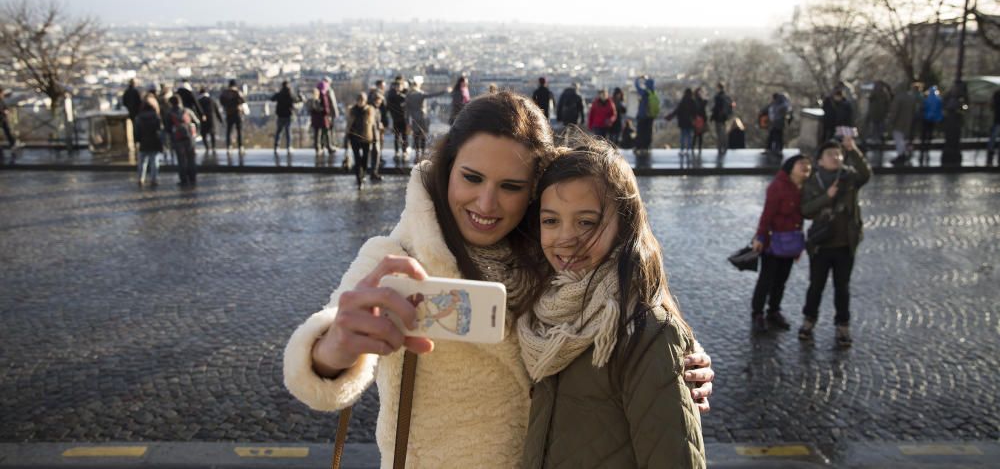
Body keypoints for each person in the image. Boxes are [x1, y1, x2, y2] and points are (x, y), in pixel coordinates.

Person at [283, 92, 715, 467]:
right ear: (447, 167)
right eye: (472, 178)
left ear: (533, 191)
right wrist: (335, 347)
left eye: (510, 186)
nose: (486, 203)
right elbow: (316, 372)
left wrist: (678, 360)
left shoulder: (555, 254)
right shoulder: (395, 259)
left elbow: (622, 296)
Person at [518, 137, 706, 467]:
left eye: (586, 222)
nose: (566, 237)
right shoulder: (541, 308)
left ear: (624, 225)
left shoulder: (647, 333)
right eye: (550, 221)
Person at [799, 136, 871, 347]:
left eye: (838, 153)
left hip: (845, 244)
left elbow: (866, 175)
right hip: (821, 244)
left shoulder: (849, 176)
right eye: (830, 154)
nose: (835, 157)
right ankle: (808, 321)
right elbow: (806, 210)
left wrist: (854, 150)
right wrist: (827, 197)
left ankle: (843, 326)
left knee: (843, 287)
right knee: (816, 286)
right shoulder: (813, 181)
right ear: (820, 161)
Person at [750, 155, 811, 333]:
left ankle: (774, 310)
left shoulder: (806, 188)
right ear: (791, 167)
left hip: (791, 241)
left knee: (782, 280)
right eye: (802, 164)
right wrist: (760, 237)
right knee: (766, 279)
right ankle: (758, 312)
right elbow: (767, 215)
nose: (806, 167)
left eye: (808, 165)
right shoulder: (777, 186)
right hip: (773, 241)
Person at [404, 77, 449, 159]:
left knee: (416, 136)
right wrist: (444, 91)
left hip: (414, 118)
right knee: (423, 136)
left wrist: (407, 122)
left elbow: (407, 110)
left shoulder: (409, 95)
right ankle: (423, 153)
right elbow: (431, 95)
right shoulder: (419, 94)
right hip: (422, 117)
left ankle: (417, 154)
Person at [345, 92, 378, 189]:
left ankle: (363, 174)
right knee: (357, 159)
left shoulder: (370, 110)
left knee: (365, 159)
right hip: (354, 137)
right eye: (359, 101)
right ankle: (359, 179)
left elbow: (373, 125)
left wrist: (375, 138)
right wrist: (347, 137)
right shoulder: (352, 110)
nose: (361, 102)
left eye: (362, 101)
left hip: (366, 138)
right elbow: (349, 124)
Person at [166, 95, 199, 186]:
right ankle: (192, 178)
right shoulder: (187, 111)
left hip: (178, 139)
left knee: (181, 160)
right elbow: (197, 122)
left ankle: (184, 179)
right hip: (190, 138)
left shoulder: (170, 113)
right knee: (191, 159)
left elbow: (168, 128)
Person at [135, 95, 163, 186]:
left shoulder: (139, 118)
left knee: (142, 162)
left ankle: (140, 179)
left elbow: (137, 131)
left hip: (143, 141)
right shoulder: (156, 117)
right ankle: (154, 179)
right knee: (154, 162)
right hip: (154, 140)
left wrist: (137, 141)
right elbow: (160, 130)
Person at [887, 81, 917, 166]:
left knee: (899, 140)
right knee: (905, 140)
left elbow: (894, 112)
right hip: (909, 122)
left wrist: (891, 121)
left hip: (899, 123)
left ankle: (901, 155)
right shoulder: (911, 97)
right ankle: (906, 154)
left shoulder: (898, 98)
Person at [666, 88, 697, 155]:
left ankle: (682, 149)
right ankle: (689, 149)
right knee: (689, 136)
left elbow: (677, 111)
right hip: (690, 121)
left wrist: (669, 117)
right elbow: (695, 112)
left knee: (683, 136)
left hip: (682, 121)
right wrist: (694, 119)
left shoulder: (683, 101)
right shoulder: (692, 101)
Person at [218, 80, 246, 153]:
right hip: (237, 113)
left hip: (229, 113)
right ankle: (240, 146)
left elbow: (221, 101)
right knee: (239, 130)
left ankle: (229, 146)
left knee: (229, 131)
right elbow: (243, 100)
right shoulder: (237, 92)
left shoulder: (225, 93)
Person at [864, 81, 892, 151]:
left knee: (876, 127)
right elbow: (888, 104)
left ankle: (875, 140)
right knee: (880, 127)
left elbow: (870, 103)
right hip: (881, 114)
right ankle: (880, 140)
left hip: (875, 113)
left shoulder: (875, 93)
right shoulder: (884, 93)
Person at [271, 80, 299, 152]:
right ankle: (288, 146)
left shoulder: (280, 93)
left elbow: (272, 98)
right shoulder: (290, 94)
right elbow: (296, 100)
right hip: (288, 115)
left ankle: (276, 146)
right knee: (288, 132)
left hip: (280, 114)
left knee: (279, 131)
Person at [919, 85, 943, 166]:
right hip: (933, 118)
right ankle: (928, 144)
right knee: (930, 131)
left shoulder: (927, 99)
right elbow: (939, 109)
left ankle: (923, 145)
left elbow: (923, 108)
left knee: (924, 132)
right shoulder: (938, 99)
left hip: (926, 118)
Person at [633, 76, 657, 153]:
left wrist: (639, 78)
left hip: (643, 116)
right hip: (650, 116)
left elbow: (636, 85)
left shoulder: (644, 92)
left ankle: (639, 147)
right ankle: (646, 147)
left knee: (640, 132)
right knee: (648, 132)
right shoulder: (653, 93)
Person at [386, 76, 409, 158]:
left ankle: (403, 151)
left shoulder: (392, 94)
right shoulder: (394, 95)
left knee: (403, 136)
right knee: (398, 136)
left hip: (400, 118)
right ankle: (399, 151)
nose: (398, 87)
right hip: (397, 118)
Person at [197, 86, 223, 152]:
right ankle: (213, 147)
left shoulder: (199, 101)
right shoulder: (212, 100)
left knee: (204, 134)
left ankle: (207, 147)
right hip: (212, 119)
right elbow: (217, 111)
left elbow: (197, 111)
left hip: (203, 119)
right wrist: (220, 120)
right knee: (212, 133)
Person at [710, 83, 733, 155]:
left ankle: (720, 148)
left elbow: (716, 108)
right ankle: (725, 147)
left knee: (719, 134)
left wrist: (712, 116)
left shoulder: (718, 97)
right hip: (725, 118)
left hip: (718, 118)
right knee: (724, 133)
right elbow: (731, 107)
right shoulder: (727, 97)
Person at [692, 87, 708, 155]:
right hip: (700, 119)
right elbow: (702, 109)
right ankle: (699, 148)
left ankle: (693, 147)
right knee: (700, 134)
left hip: (696, 119)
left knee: (696, 134)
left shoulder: (694, 100)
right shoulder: (701, 100)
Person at [988, 86, 1000, 167]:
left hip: (997, 119)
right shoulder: (997, 94)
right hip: (997, 119)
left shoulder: (996, 94)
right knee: (993, 137)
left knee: (993, 137)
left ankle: (990, 154)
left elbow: (992, 106)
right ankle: (991, 153)